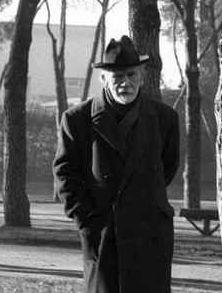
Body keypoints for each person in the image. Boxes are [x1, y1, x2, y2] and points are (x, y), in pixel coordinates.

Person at [54, 35, 180, 293]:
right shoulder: (77, 120)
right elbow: (65, 174)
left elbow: (167, 168)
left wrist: (143, 200)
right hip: (101, 233)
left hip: (149, 234)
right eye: (118, 77)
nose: (126, 83)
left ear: (142, 76)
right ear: (103, 79)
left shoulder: (165, 119)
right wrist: (88, 219)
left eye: (132, 75)